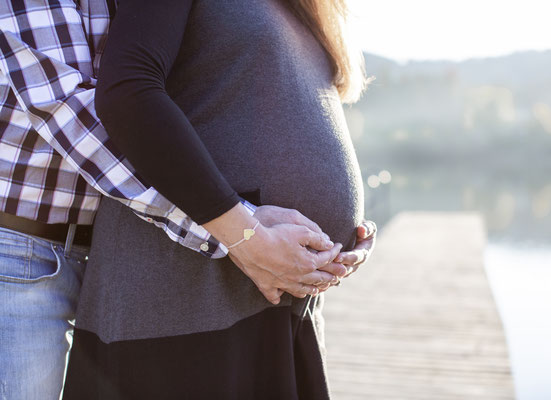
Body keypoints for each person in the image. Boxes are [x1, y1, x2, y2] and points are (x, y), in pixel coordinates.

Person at [0, 0, 374, 398]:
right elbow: (72, 110)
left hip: (130, 251)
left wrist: (343, 232)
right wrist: (237, 229)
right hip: (25, 255)